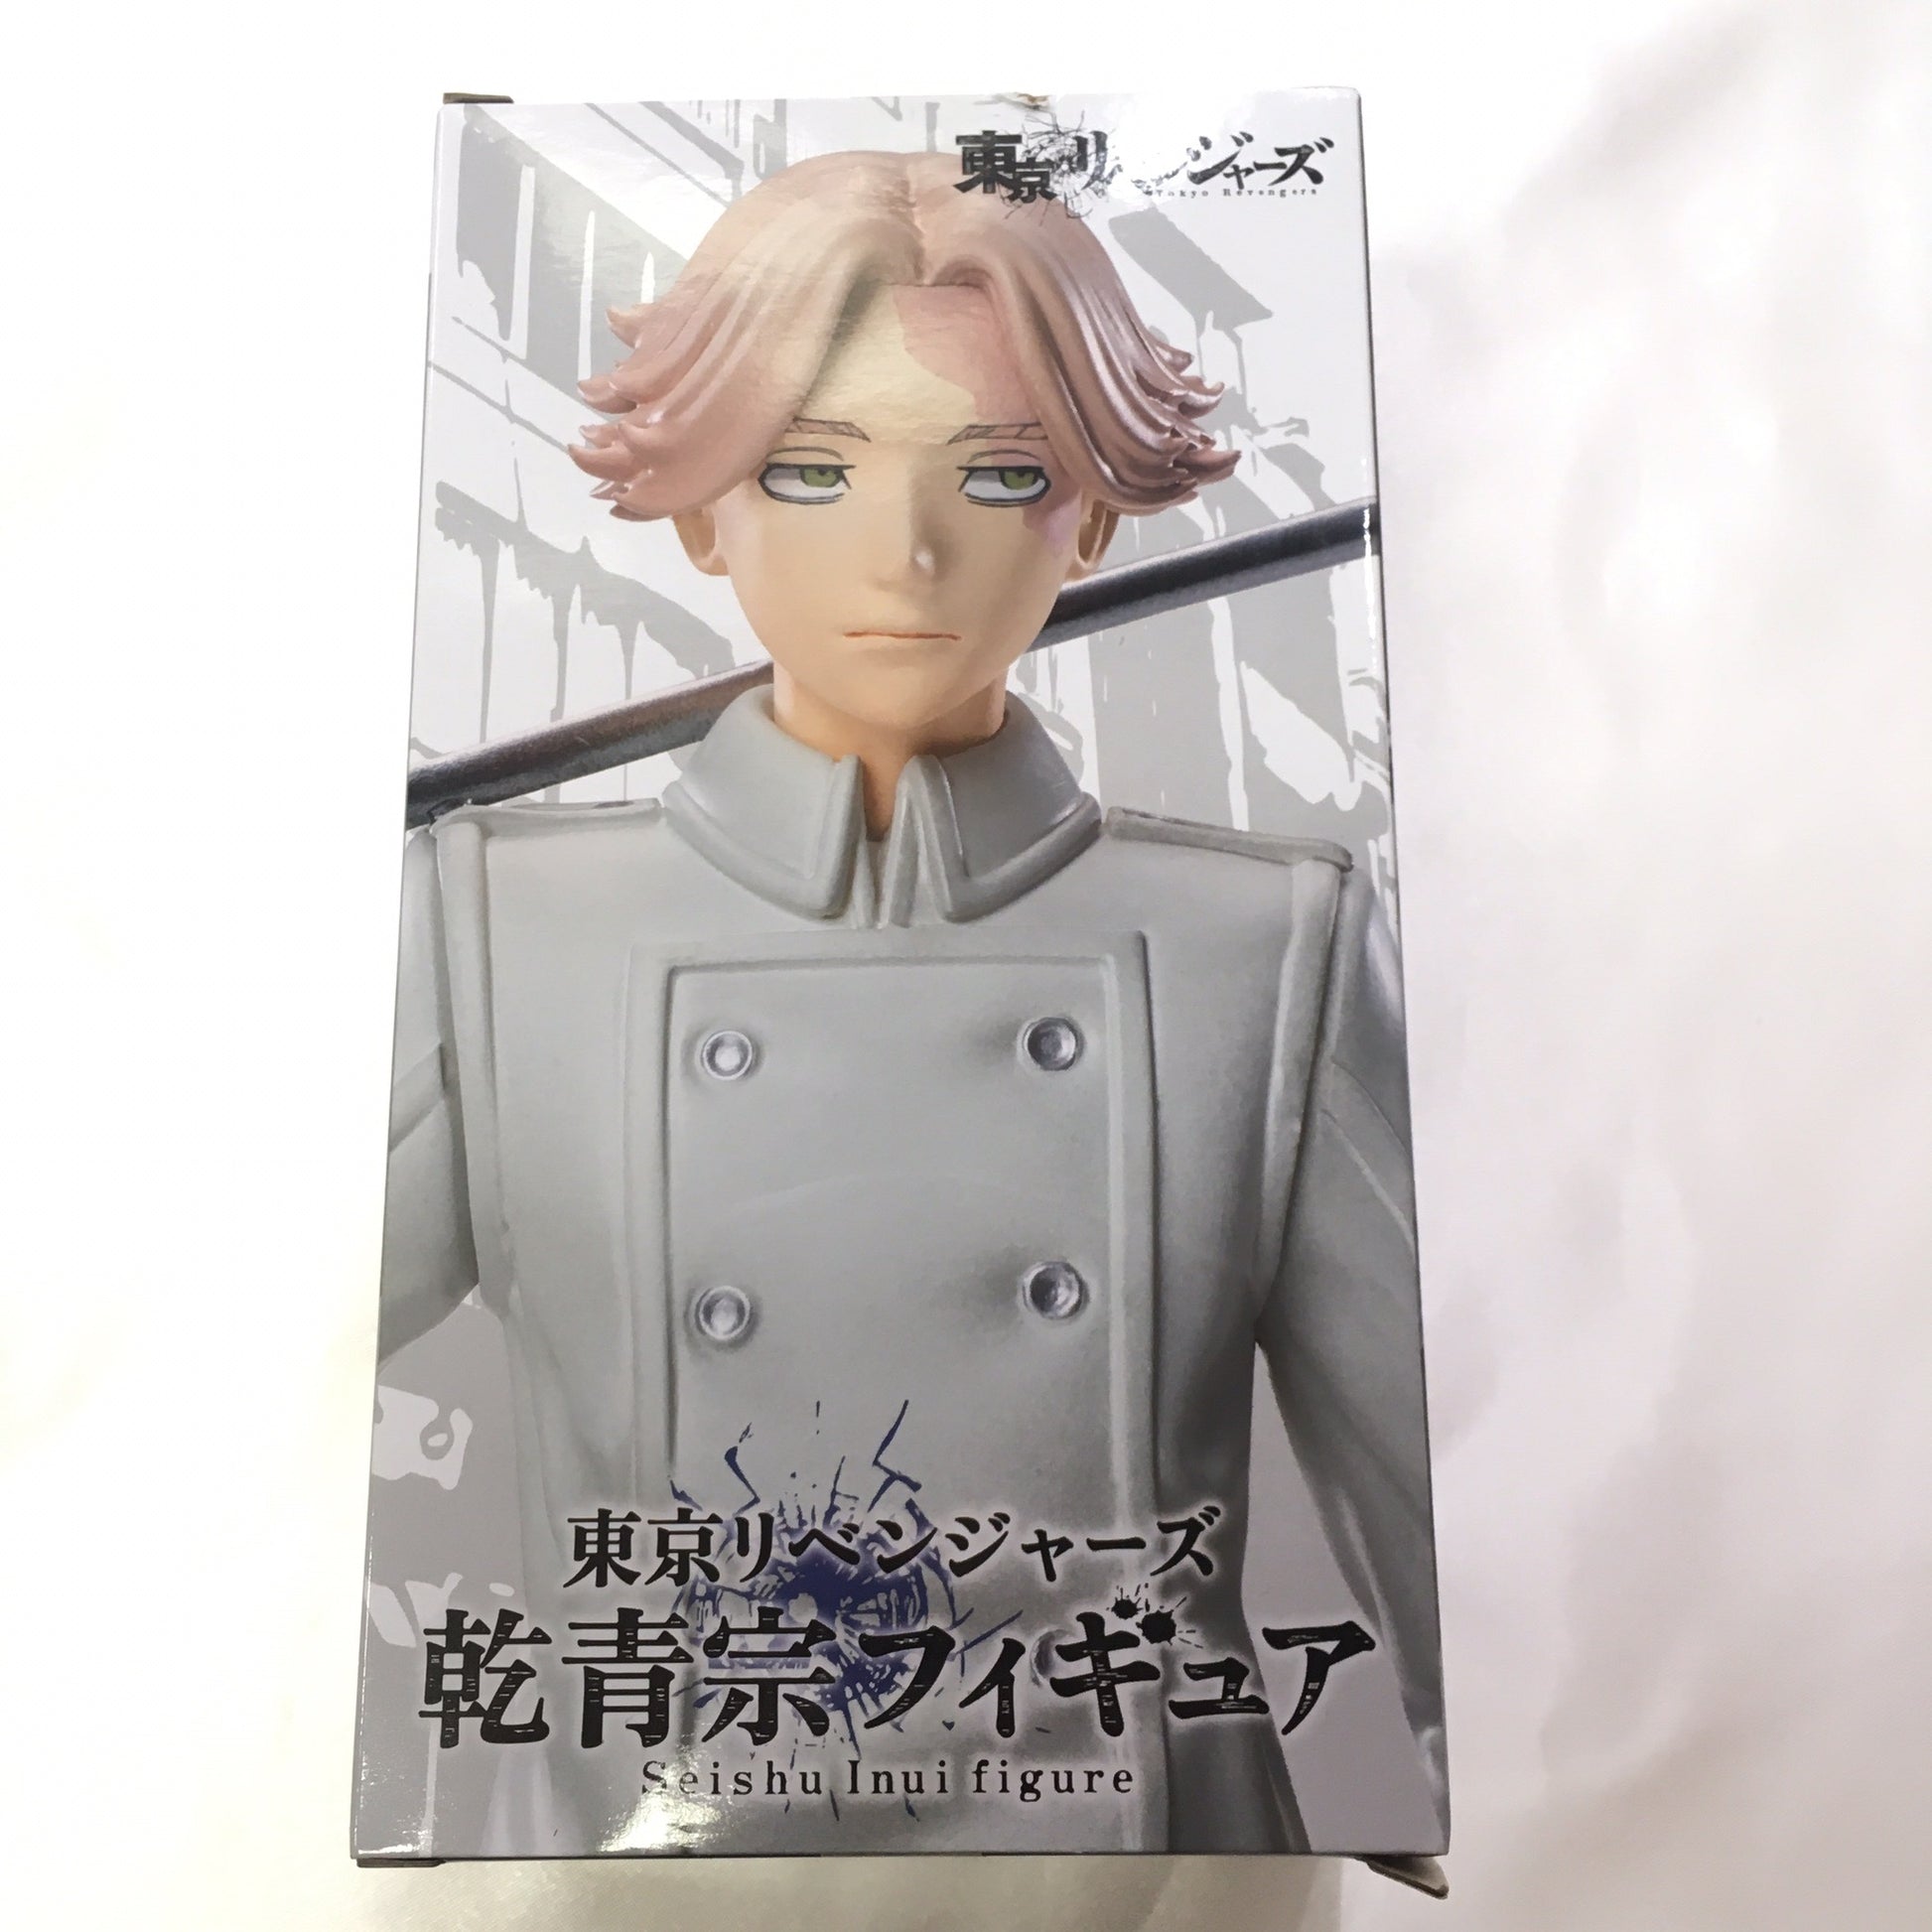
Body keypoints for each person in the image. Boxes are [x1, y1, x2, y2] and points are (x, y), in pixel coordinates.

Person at [376, 148, 1444, 1857]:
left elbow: (1433, 1522)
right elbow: (244, 1410)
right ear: (702, 507)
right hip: (639, 1878)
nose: (909, 549)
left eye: (1000, 469)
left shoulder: (1268, 942)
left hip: (1141, 1882)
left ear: (1093, 512)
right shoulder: (497, 922)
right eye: (811, 469)